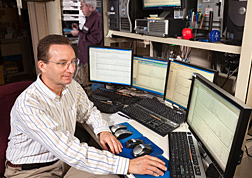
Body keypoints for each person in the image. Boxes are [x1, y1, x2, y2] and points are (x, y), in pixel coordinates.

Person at [4, 34, 167, 178]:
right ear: (42, 66)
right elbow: (69, 150)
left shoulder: (70, 85)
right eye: (62, 63)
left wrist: (102, 130)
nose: (71, 69)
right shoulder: (29, 105)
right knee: (124, 168)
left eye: (73, 62)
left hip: (64, 162)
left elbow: (88, 111)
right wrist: (129, 165)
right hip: (32, 172)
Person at [71, 0, 104, 91]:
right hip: (88, 57)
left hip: (96, 57)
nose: (81, 9)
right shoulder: (89, 18)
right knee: (92, 80)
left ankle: (98, 98)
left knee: (97, 83)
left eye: (82, 6)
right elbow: (88, 33)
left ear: (89, 6)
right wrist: (79, 30)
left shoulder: (97, 18)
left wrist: (78, 34)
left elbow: (96, 39)